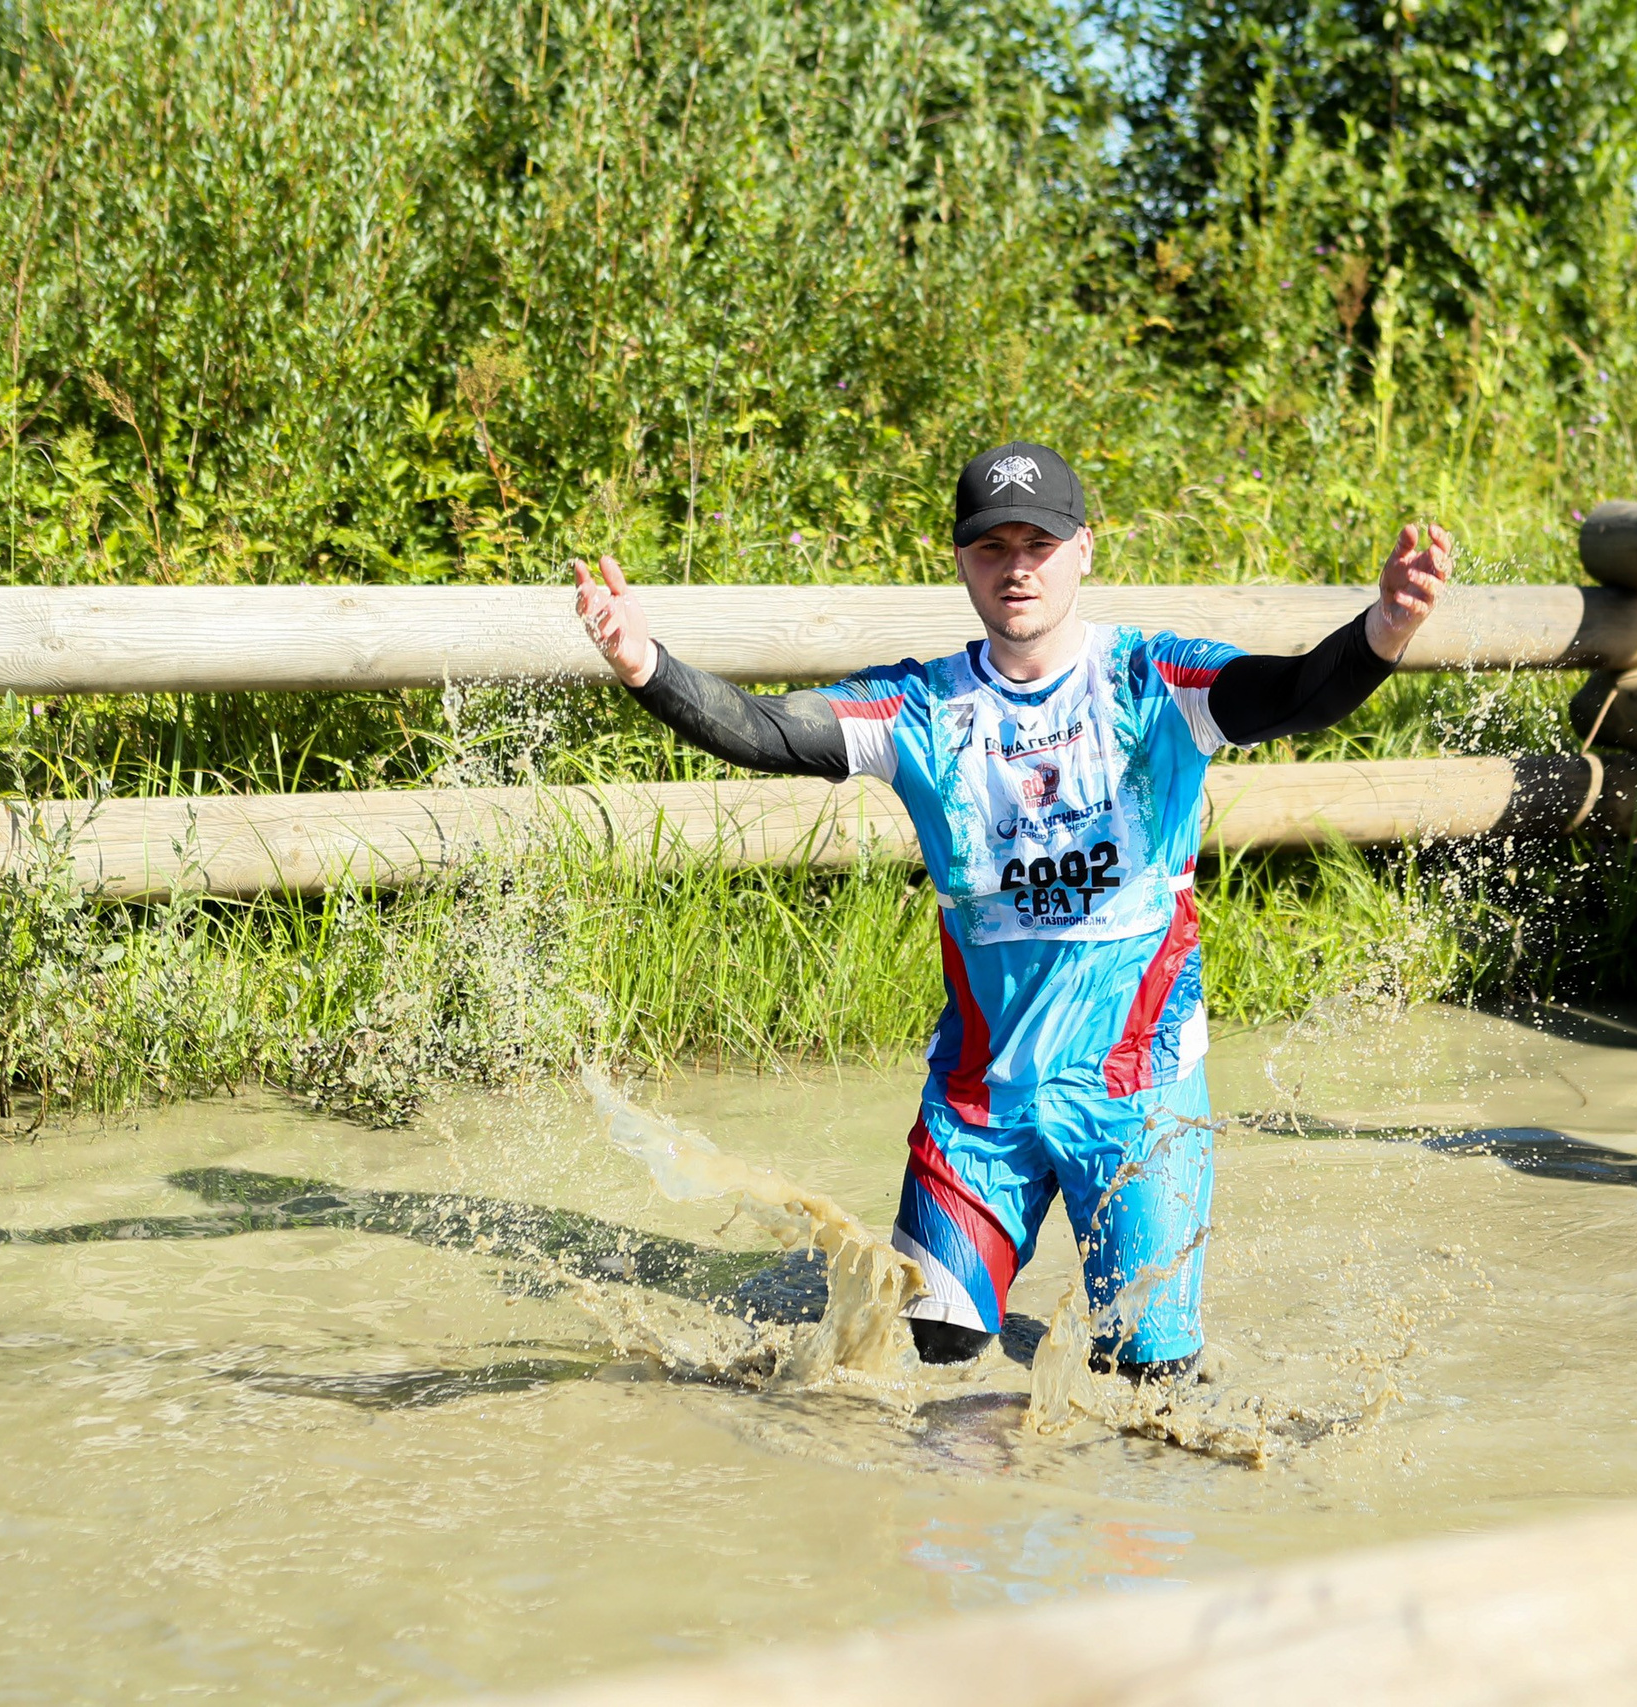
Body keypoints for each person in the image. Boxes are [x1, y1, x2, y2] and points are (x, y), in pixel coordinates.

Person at [575, 441, 1452, 1377]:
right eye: (994, 546)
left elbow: (1292, 694)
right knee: (922, 1363)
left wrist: (1383, 630)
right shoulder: (920, 708)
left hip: (1140, 1096)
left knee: (1150, 1390)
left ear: (1084, 551)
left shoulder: (1153, 682)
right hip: (980, 1102)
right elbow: (767, 731)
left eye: (1040, 541)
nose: (1018, 565)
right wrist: (645, 664)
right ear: (961, 561)